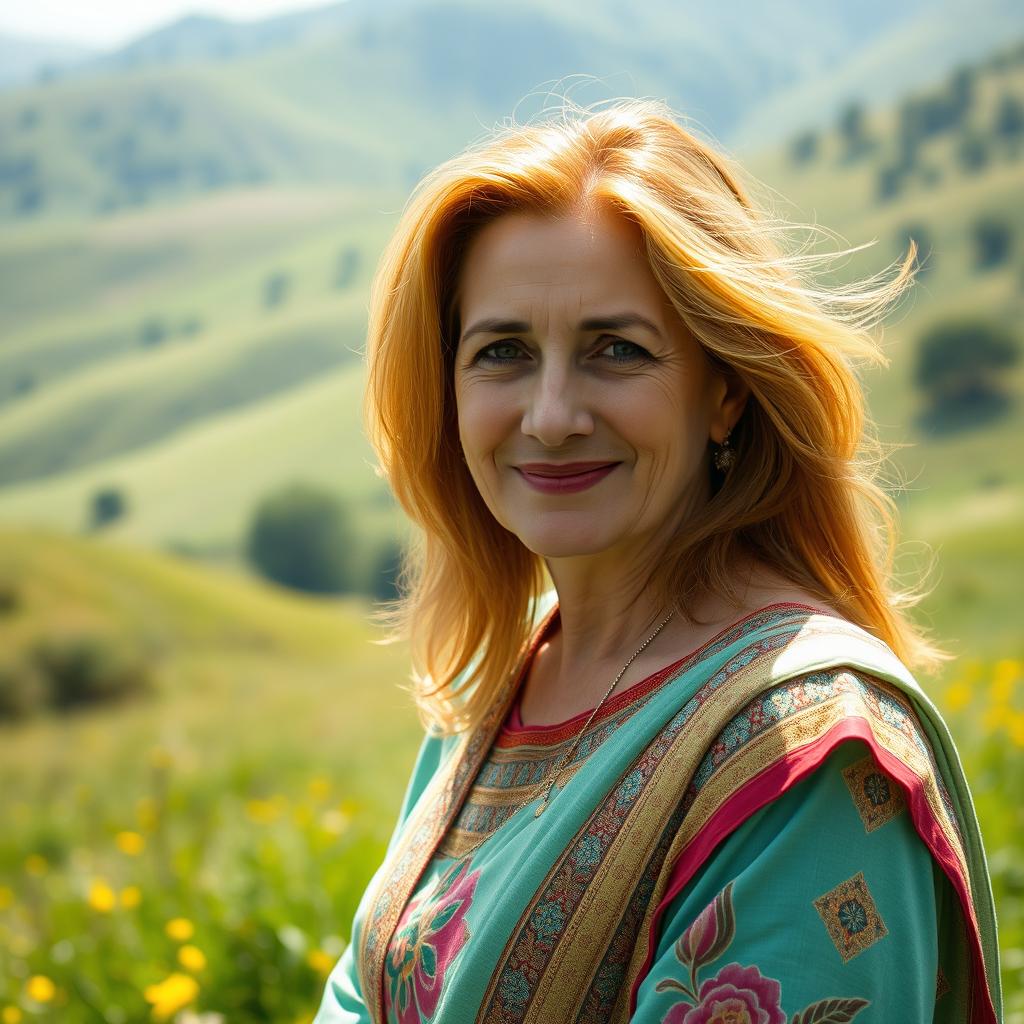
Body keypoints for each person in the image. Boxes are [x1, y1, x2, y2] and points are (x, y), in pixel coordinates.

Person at [313, 98, 1001, 1023]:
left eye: (617, 351)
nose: (551, 415)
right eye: (503, 352)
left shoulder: (808, 752)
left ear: (724, 392)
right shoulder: (504, 672)